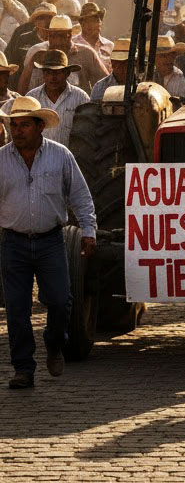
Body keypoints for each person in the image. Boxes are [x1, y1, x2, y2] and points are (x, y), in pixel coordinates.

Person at [0, 95, 96, 389]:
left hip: (51, 240)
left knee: (59, 300)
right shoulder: (1, 159)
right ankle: (23, 368)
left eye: (24, 125)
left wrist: (89, 230)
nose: (17, 131)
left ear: (40, 126)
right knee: (16, 309)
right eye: (13, 125)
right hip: (13, 243)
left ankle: (55, 343)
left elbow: (79, 195)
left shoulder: (61, 155)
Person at [19, 14, 109, 95]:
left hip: (77, 108)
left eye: (61, 36)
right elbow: (22, 91)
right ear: (48, 35)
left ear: (69, 35)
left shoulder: (86, 54)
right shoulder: (38, 53)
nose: (56, 41)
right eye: (52, 36)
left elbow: (105, 83)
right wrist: (31, 63)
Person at [26, 50, 90, 148]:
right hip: (38, 158)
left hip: (71, 158)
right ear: (43, 74)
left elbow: (87, 133)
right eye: (48, 72)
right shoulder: (32, 98)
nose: (53, 77)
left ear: (67, 73)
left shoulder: (81, 98)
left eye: (58, 72)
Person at [149, 34, 185, 98]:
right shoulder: (148, 74)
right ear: (154, 58)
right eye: (163, 56)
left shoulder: (179, 77)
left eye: (171, 55)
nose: (168, 59)